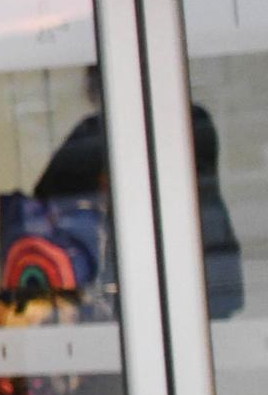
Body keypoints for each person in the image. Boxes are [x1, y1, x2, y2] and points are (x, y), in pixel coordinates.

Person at [36, 64, 241, 318]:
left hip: (183, 275)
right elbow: (48, 198)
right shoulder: (191, 121)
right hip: (188, 276)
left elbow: (46, 202)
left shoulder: (99, 134)